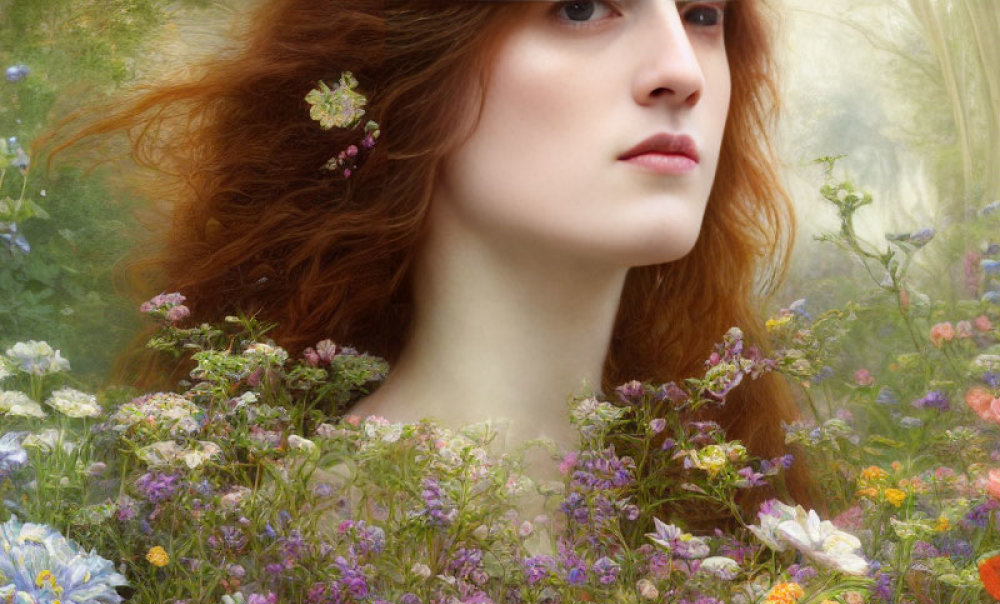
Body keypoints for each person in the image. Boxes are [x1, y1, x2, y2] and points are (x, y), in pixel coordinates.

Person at [44, 0, 809, 513]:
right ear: (413, 72)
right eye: (580, 7)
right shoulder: (316, 534)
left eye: (703, 14)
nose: (681, 71)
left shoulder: (719, 513)